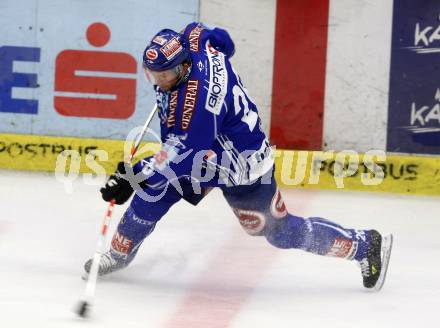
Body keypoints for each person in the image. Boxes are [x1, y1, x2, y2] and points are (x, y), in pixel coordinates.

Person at [84, 22, 392, 290]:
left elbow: (184, 156)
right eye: (153, 74)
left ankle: (364, 245)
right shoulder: (192, 39)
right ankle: (119, 254)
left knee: (277, 231)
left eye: (164, 75)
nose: (157, 81)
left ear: (183, 67)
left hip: (239, 164)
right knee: (154, 191)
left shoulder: (198, 104)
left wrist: (135, 172)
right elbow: (223, 41)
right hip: (206, 147)